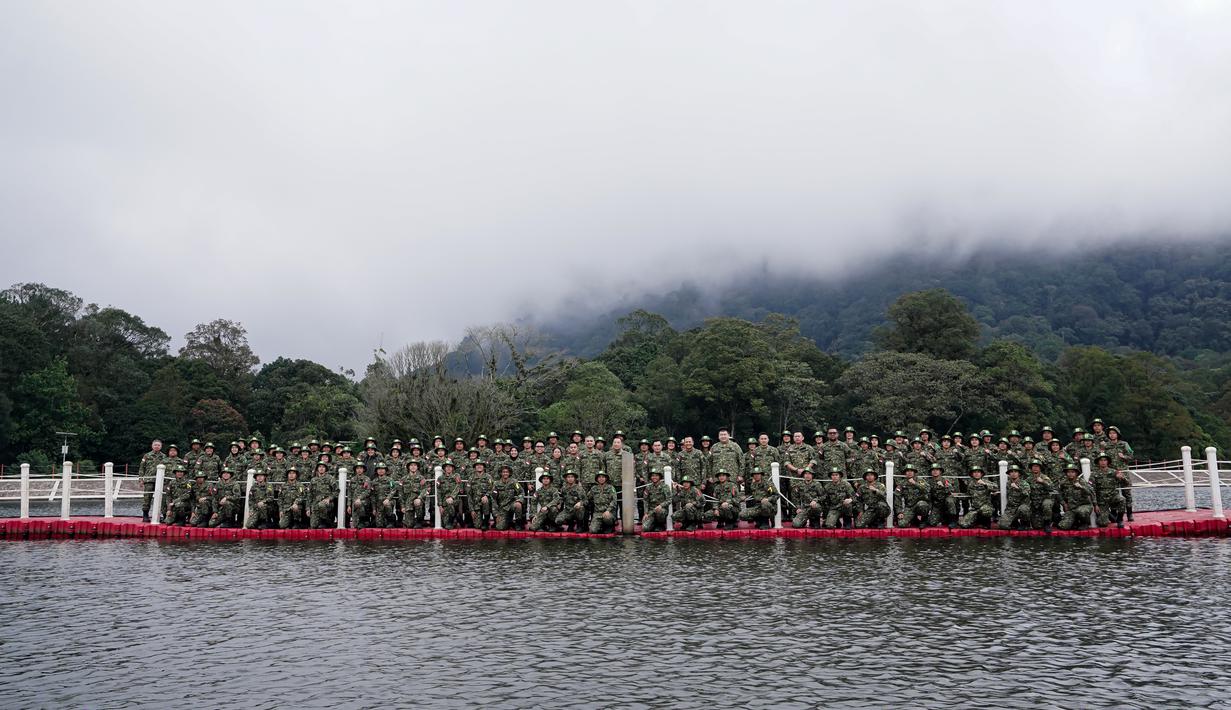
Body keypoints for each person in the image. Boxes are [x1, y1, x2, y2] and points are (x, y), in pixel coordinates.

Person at [1091, 453, 1127, 528]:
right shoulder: (1094, 474)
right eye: (1101, 460)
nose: (1103, 462)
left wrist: (1121, 478)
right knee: (1102, 523)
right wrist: (1095, 504)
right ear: (1098, 462)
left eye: (1105, 460)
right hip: (1101, 500)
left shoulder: (1114, 472)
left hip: (1113, 497)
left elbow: (1127, 483)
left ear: (1108, 462)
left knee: (1122, 499)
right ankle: (1108, 515)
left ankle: (1119, 520)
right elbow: (1092, 490)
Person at [1057, 464, 1096, 530]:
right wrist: (1063, 503)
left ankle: (1085, 523)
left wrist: (1081, 487)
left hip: (1083, 505)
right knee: (1063, 526)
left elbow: (1090, 493)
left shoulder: (1082, 481)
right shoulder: (1063, 482)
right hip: (1071, 508)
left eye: (1072, 472)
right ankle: (1075, 521)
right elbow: (1058, 492)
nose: (1070, 474)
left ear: (1076, 473)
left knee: (1082, 512)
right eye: (1068, 472)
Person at [138, 439, 167, 522]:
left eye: (158, 445)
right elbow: (141, 468)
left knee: (162, 499)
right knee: (147, 498)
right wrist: (141, 479)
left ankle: (163, 515)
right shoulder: (147, 456)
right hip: (149, 480)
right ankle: (145, 515)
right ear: (152, 446)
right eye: (155, 445)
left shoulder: (164, 456)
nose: (157, 446)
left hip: (160, 480)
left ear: (161, 446)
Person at [997, 465, 1031, 530]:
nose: (1013, 473)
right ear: (1009, 474)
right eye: (1011, 472)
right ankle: (1014, 522)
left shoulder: (1024, 483)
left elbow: (1027, 494)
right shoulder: (1008, 483)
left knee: (1023, 509)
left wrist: (1018, 488)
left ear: (1019, 473)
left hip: (1021, 507)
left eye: (1015, 472)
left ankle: (1025, 523)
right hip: (1011, 508)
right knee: (1002, 525)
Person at [492, 464, 525, 531]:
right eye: (503, 472)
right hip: (502, 507)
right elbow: (493, 499)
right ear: (501, 473)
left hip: (512, 504)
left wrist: (519, 500)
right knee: (500, 527)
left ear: (509, 473)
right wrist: (496, 514)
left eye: (507, 472)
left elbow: (521, 492)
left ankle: (518, 523)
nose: (505, 473)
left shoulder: (514, 482)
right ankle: (508, 521)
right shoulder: (496, 483)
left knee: (518, 505)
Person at [399, 460, 430, 528]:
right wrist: (402, 506)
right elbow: (400, 493)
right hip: (408, 503)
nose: (413, 467)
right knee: (409, 525)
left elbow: (425, 489)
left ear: (417, 467)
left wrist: (419, 498)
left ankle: (419, 521)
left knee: (418, 504)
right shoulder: (403, 479)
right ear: (408, 467)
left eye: (415, 465)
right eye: (411, 465)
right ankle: (410, 521)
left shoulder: (421, 478)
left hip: (418, 500)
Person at [1027, 460, 1055, 533]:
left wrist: (1043, 482)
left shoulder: (1045, 477)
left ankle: (1047, 523)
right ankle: (1026, 523)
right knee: (1037, 526)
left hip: (1044, 501)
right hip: (1034, 503)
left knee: (1047, 504)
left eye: (1037, 466)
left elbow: (1052, 488)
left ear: (1040, 468)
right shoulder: (1028, 479)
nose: (1035, 468)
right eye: (1033, 466)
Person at [309, 462, 338, 529]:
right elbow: (309, 494)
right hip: (316, 503)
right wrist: (308, 507)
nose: (321, 468)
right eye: (320, 467)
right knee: (313, 525)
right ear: (317, 469)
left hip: (327, 502)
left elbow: (336, 491)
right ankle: (329, 522)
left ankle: (324, 521)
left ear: (326, 469)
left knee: (321, 505)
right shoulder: (313, 480)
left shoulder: (330, 478)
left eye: (323, 467)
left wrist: (329, 498)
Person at [436, 461, 464, 530]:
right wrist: (440, 505)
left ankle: (453, 520)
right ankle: (455, 518)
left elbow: (458, 487)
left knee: (449, 524)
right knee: (444, 524)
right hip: (445, 502)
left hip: (455, 500)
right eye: (447, 467)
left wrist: (452, 497)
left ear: (452, 468)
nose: (448, 468)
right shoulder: (440, 478)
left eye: (450, 467)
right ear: (444, 468)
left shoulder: (456, 476)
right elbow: (439, 492)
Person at [468, 461, 495, 530]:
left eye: (481, 465)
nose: (479, 466)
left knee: (485, 501)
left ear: (484, 467)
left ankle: (486, 521)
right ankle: (480, 520)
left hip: (486, 502)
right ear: (475, 468)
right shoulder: (471, 478)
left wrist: (486, 495)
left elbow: (493, 489)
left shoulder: (488, 477)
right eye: (477, 465)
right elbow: (469, 495)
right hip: (476, 504)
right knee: (477, 526)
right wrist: (472, 510)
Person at [372, 462, 399, 528]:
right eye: (379, 469)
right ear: (376, 471)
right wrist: (374, 508)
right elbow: (372, 496)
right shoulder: (374, 481)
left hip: (388, 501)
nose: (380, 471)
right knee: (379, 525)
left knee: (387, 505)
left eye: (382, 469)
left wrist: (388, 499)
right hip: (379, 504)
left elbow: (393, 490)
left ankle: (391, 521)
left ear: (385, 470)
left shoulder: (390, 480)